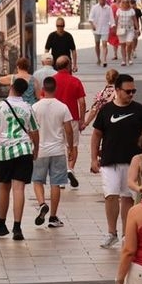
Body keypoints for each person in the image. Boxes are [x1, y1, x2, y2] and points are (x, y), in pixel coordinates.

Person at [90, 74, 142, 249]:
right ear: (117, 90)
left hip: (132, 162)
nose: (131, 94)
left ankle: (127, 234)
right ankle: (112, 233)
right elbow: (96, 135)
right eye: (128, 91)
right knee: (110, 195)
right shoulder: (106, 110)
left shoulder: (139, 110)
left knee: (127, 198)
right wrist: (93, 158)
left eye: (133, 91)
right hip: (109, 161)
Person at [0, 78, 39, 242]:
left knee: (4, 188)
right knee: (19, 189)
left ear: (11, 87)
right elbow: (34, 131)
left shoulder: (0, 106)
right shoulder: (28, 107)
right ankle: (17, 227)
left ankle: (1, 224)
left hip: (5, 152)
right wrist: (36, 148)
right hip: (24, 151)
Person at [30, 76, 75, 229]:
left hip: (40, 150)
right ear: (55, 89)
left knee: (37, 181)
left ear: (43, 89)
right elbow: (68, 130)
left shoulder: (35, 107)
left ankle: (42, 203)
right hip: (57, 150)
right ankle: (53, 217)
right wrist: (70, 147)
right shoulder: (62, 107)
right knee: (56, 183)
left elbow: (31, 130)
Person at [50, 56, 87, 187]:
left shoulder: (52, 81)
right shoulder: (75, 81)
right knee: (72, 145)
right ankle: (70, 168)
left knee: (58, 146)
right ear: (68, 65)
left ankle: (60, 178)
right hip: (72, 118)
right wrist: (83, 120)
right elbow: (82, 102)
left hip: (54, 119)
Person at [89, 0, 115, 67]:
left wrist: (113, 26)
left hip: (105, 29)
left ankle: (104, 59)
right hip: (96, 29)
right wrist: (92, 25)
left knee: (104, 44)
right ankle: (98, 58)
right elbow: (90, 18)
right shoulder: (94, 7)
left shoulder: (108, 8)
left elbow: (111, 18)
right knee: (97, 44)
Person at [115, 0, 138, 67]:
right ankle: (124, 60)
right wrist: (114, 28)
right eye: (123, 2)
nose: (125, 3)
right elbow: (116, 20)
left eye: (127, 2)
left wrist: (137, 28)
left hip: (130, 29)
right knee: (122, 45)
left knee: (129, 43)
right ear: (121, 2)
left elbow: (135, 20)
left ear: (129, 3)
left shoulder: (131, 10)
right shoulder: (119, 10)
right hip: (121, 29)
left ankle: (129, 58)